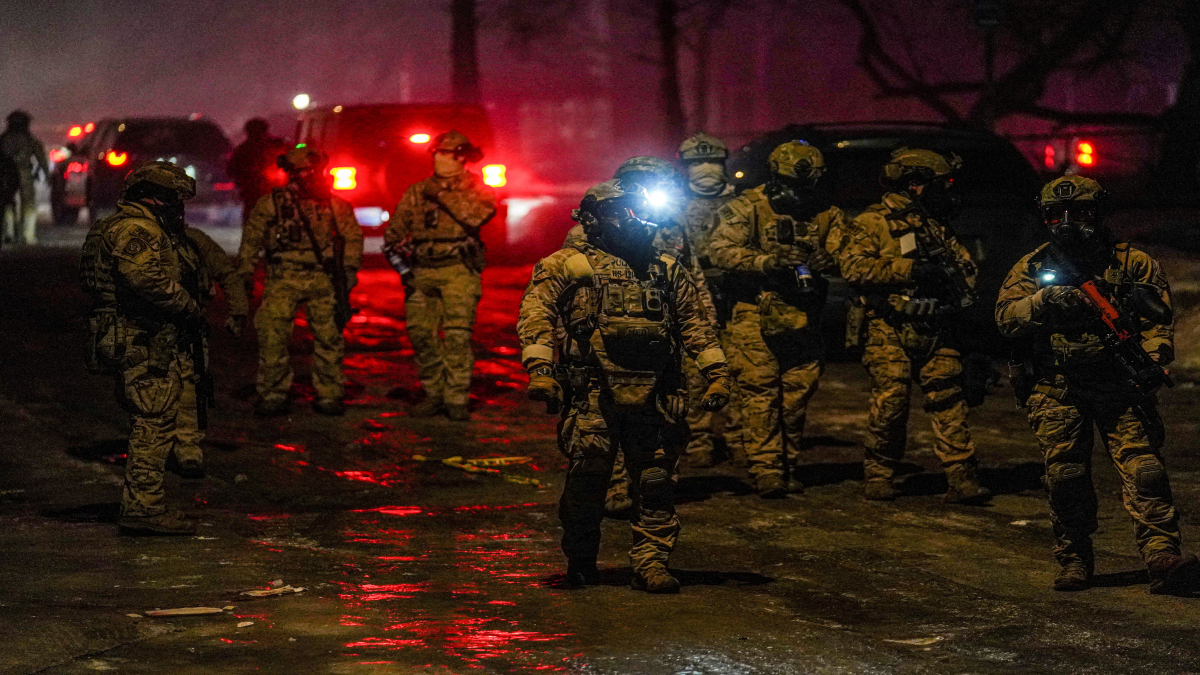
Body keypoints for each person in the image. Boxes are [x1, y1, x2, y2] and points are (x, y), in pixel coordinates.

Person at [517, 180, 731, 593]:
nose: (632, 221)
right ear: (594, 219)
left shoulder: (666, 268)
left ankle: (651, 564)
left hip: (656, 392)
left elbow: (694, 325)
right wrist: (540, 369)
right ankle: (581, 561)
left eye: (637, 210)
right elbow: (536, 313)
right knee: (587, 480)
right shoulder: (569, 265)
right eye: (621, 212)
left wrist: (716, 372)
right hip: (594, 392)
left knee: (654, 481)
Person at [996, 175, 1198, 595]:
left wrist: (1152, 360)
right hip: (1057, 387)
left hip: (1118, 383)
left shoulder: (1131, 264)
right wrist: (1043, 301)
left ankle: (1163, 557)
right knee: (1066, 476)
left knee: (1145, 471)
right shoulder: (1034, 266)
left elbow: (1156, 322)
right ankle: (1074, 559)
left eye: (1081, 213)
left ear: (1099, 214)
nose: (1067, 224)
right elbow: (1005, 318)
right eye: (1056, 215)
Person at [826, 147, 988, 504]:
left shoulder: (934, 223)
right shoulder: (874, 222)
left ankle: (962, 476)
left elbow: (964, 270)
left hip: (936, 324)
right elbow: (853, 267)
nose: (946, 190)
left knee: (948, 396)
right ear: (915, 183)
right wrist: (909, 270)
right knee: (892, 401)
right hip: (888, 324)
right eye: (940, 182)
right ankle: (880, 473)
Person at [709, 141, 844, 498]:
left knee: (798, 393)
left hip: (802, 316)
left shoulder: (826, 213)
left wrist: (828, 260)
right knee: (760, 391)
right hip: (753, 312)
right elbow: (720, 250)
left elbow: (851, 252)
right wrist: (766, 263)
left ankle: (788, 462)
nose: (799, 195)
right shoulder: (747, 207)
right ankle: (767, 468)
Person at [79, 161, 207, 535]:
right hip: (141, 338)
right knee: (153, 423)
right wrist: (188, 308)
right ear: (151, 196)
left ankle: (144, 505)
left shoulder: (118, 226)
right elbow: (145, 279)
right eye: (170, 197)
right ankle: (144, 508)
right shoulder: (136, 229)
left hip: (133, 336)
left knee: (151, 420)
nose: (176, 206)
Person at [237, 146, 363, 417]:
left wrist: (349, 271)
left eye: (312, 171)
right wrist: (245, 272)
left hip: (323, 278)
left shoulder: (334, 204)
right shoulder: (272, 203)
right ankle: (273, 392)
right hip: (284, 276)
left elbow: (352, 237)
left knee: (329, 338)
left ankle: (329, 393)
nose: (308, 177)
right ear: (292, 174)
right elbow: (252, 239)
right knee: (273, 336)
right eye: (302, 172)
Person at [384, 131, 496, 421]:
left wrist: (445, 196)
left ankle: (456, 397)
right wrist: (400, 259)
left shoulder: (478, 188)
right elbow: (395, 229)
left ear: (461, 158)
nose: (439, 158)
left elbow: (476, 216)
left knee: (458, 337)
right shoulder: (417, 191)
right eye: (437, 153)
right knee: (422, 335)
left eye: (446, 154)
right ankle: (434, 394)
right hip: (422, 271)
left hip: (458, 270)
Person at [677, 132, 744, 469]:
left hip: (738, 298)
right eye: (696, 163)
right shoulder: (673, 208)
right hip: (694, 302)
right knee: (695, 374)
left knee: (741, 370)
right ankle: (699, 439)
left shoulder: (743, 204)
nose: (705, 169)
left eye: (712, 162)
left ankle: (738, 439)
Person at [171, 226, 249, 475]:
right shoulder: (134, 235)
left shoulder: (193, 240)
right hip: (148, 329)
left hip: (187, 327)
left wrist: (238, 309)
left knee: (190, 389)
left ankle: (187, 448)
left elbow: (224, 271)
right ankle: (153, 451)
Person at [1, 110, 49, 245]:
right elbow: (41, 159)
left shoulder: (4, 140)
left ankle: (8, 233)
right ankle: (27, 235)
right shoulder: (29, 140)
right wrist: (47, 175)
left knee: (7, 204)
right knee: (28, 205)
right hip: (23, 174)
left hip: (8, 175)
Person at [227, 118, 289, 221]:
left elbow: (231, 171)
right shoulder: (276, 145)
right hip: (262, 195)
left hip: (259, 195)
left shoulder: (242, 150)